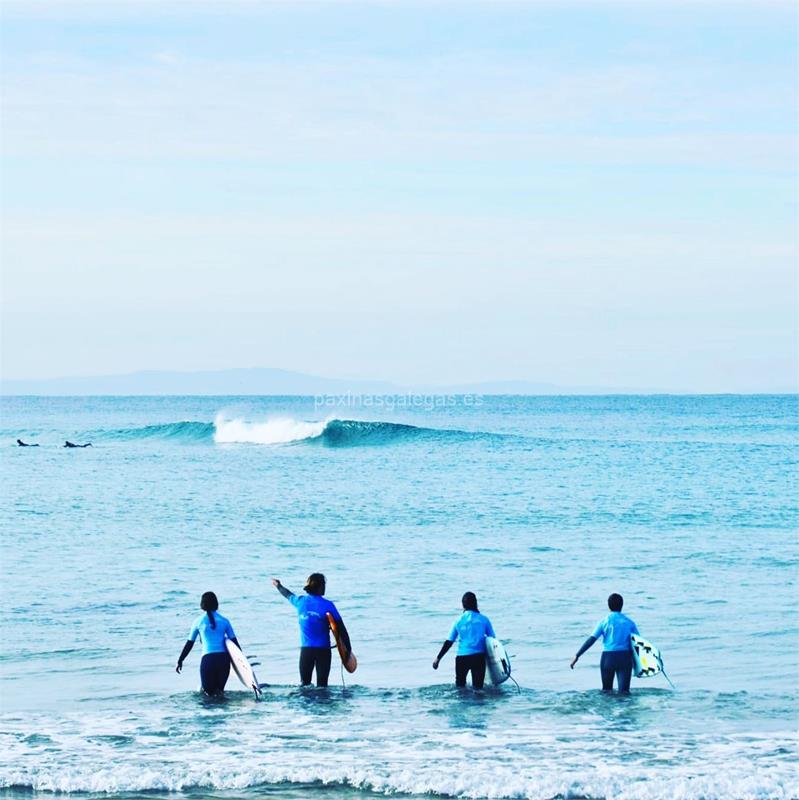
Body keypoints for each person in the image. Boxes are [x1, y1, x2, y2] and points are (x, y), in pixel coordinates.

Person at [271, 573, 350, 687]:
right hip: (323, 651)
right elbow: (341, 629)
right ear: (320, 586)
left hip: (306, 651)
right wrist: (348, 650)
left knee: (304, 685)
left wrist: (278, 585)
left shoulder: (300, 602)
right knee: (322, 686)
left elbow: (287, 594)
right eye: (324, 584)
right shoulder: (328, 605)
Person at [570, 593, 640, 693]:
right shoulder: (629, 623)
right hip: (625, 658)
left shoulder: (604, 622)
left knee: (606, 692)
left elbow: (591, 640)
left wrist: (577, 655)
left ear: (608, 606)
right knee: (624, 692)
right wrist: (640, 664)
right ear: (622, 605)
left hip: (608, 658)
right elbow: (638, 643)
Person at [176, 591, 240, 695]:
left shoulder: (198, 621)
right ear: (216, 604)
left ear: (202, 605)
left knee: (208, 695)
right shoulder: (225, 621)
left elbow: (189, 644)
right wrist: (241, 663)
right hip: (224, 660)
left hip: (208, 660)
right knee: (220, 693)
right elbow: (234, 643)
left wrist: (180, 660)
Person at [432, 591, 495, 689]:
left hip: (462, 658)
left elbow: (449, 642)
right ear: (476, 603)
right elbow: (493, 641)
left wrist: (438, 659)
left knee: (460, 688)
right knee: (478, 689)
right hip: (478, 658)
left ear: (463, 605)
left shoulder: (458, 620)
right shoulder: (484, 619)